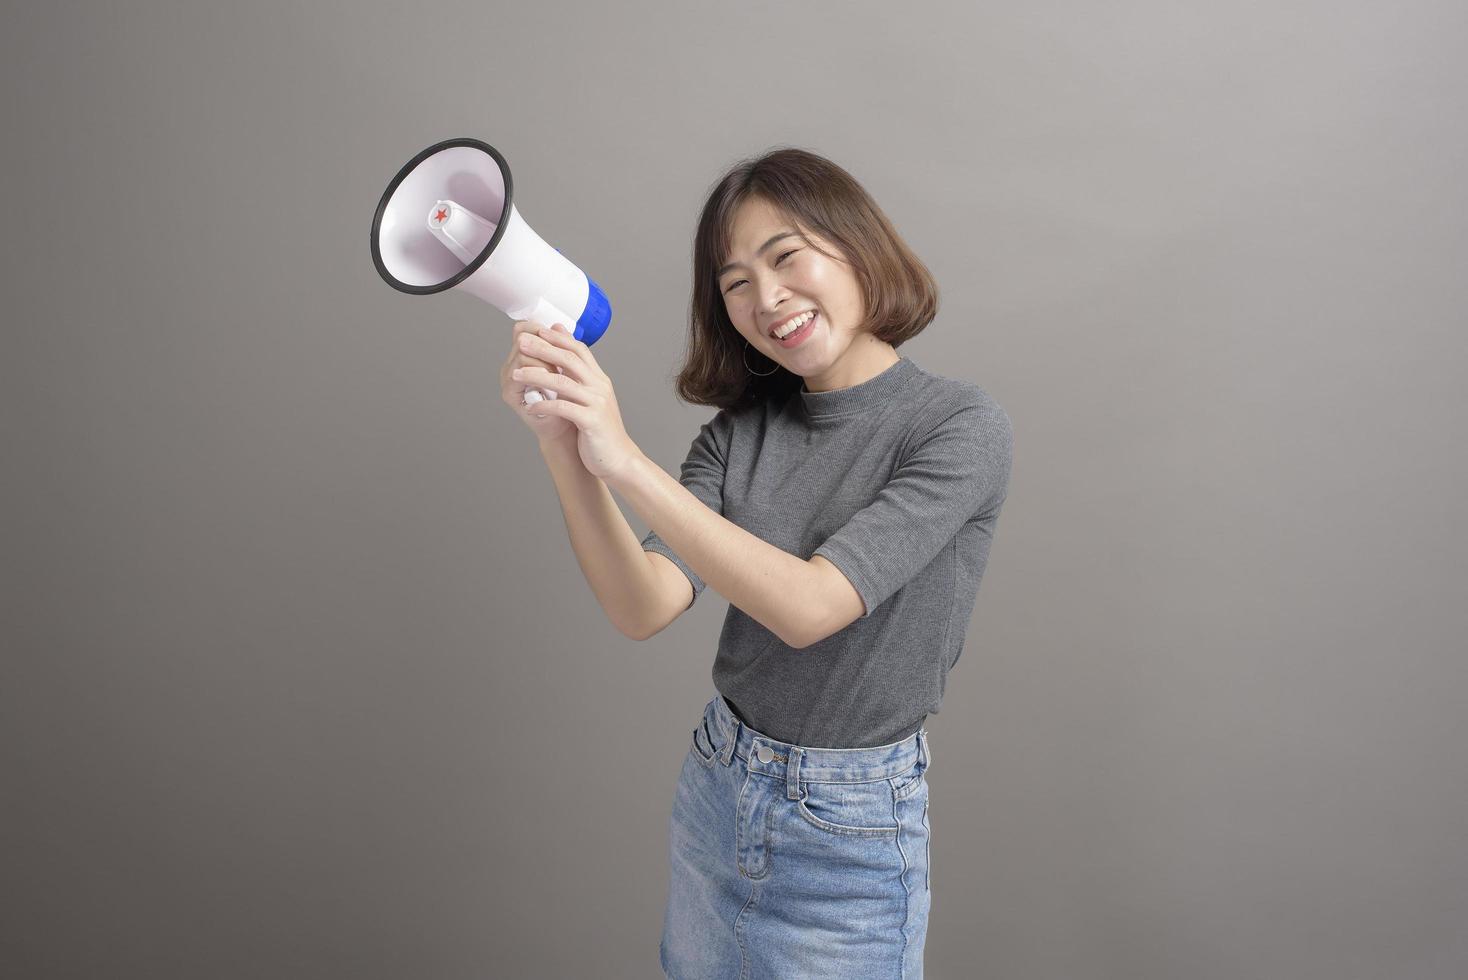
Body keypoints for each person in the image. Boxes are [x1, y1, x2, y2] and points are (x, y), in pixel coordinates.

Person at [497, 148, 1013, 979]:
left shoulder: (956, 426)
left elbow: (810, 608)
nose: (766, 299)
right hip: (719, 788)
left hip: (851, 828)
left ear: (857, 246)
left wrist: (624, 459)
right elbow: (644, 605)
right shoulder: (740, 435)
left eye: (786, 257)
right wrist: (566, 447)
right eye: (734, 282)